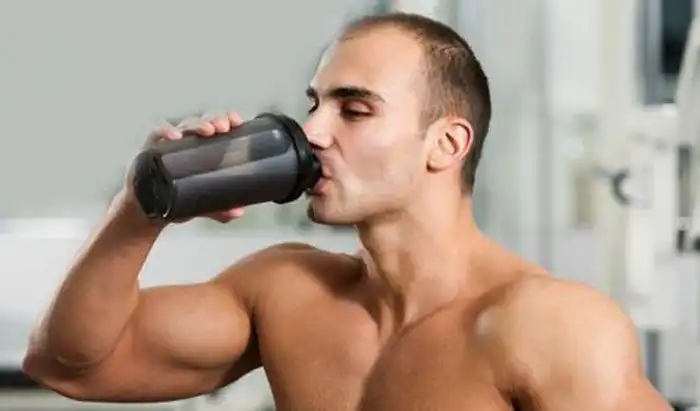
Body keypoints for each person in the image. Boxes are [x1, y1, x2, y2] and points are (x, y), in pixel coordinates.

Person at [22, 12, 671, 411]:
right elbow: (72, 364)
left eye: (354, 110)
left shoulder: (547, 325)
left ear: (446, 144)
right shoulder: (287, 292)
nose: (313, 131)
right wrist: (141, 207)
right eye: (316, 104)